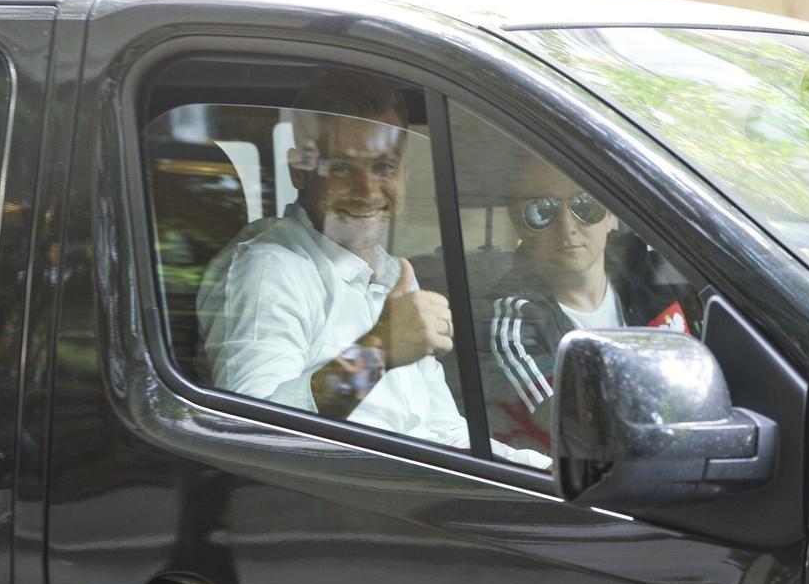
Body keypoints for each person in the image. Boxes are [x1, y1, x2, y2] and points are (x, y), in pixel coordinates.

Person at [196, 69, 549, 469]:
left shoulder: (394, 274)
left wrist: (543, 470)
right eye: (341, 168)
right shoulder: (268, 270)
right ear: (299, 171)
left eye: (383, 168)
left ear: (403, 173)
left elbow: (443, 432)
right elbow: (251, 437)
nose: (366, 191)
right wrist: (376, 353)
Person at [479, 159, 700, 457]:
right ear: (518, 222)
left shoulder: (660, 274)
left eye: (586, 205)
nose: (567, 227)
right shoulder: (514, 323)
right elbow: (580, 428)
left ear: (609, 215)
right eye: (541, 210)